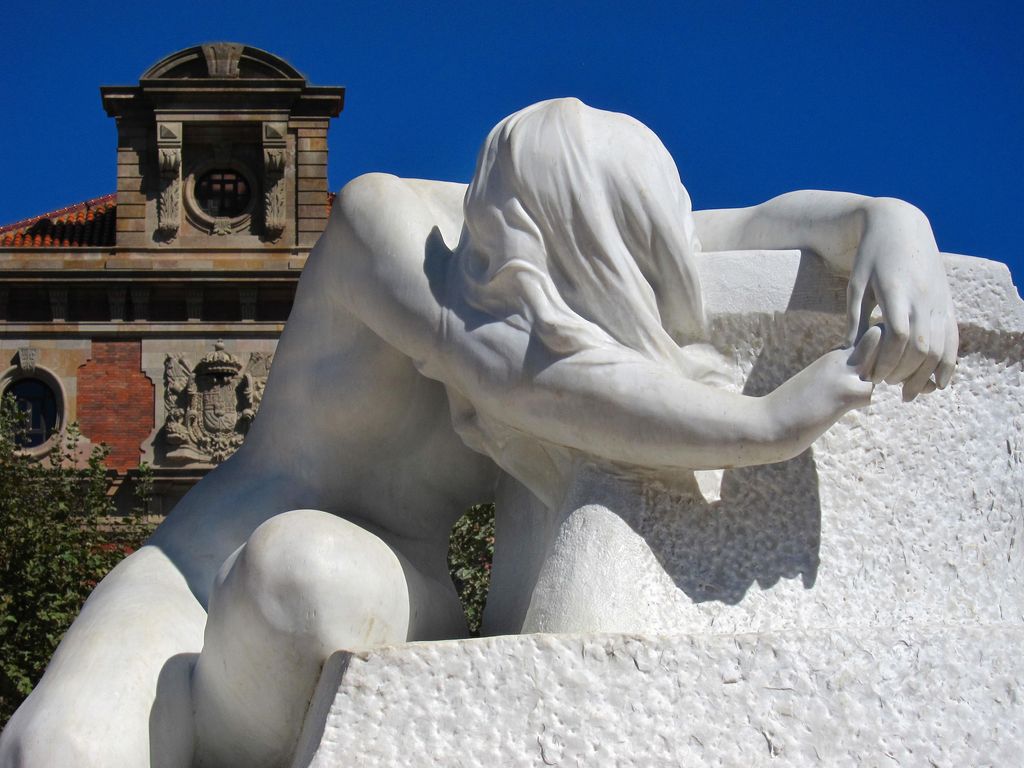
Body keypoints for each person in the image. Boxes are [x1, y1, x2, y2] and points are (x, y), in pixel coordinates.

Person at [0, 99, 956, 768]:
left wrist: (890, 223)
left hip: (375, 584)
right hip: (189, 575)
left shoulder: (589, 237)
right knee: (57, 752)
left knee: (303, 579)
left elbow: (755, 225)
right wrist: (762, 423)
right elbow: (519, 372)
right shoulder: (386, 228)